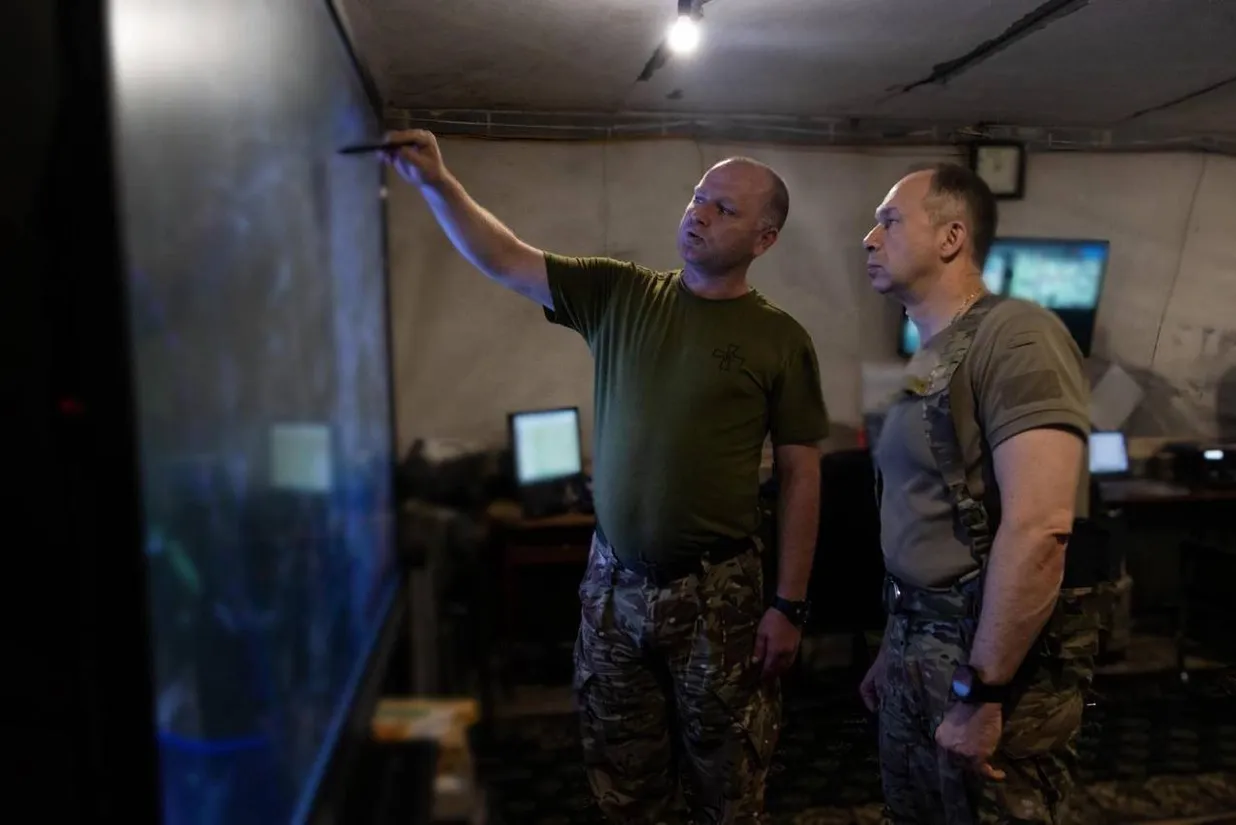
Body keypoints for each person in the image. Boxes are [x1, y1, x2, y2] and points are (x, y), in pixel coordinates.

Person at [382, 130, 829, 824]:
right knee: (622, 780)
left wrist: (790, 603)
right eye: (697, 197)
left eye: (724, 209)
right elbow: (503, 258)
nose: (699, 213)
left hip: (720, 593)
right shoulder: (620, 293)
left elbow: (803, 473)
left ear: (764, 240)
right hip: (614, 587)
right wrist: (439, 184)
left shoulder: (780, 339)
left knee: (728, 784)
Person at [858, 163, 1099, 824]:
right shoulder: (928, 356)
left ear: (951, 237)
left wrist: (985, 691)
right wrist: (895, 645)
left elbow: (1041, 526)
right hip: (919, 641)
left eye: (888, 220)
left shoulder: (1018, 336)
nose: (868, 239)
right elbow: (924, 514)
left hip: (981, 660)